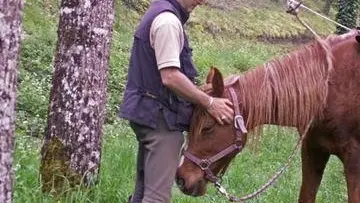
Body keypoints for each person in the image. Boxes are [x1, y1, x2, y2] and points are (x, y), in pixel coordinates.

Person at [119, 0, 234, 202]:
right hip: (160, 120)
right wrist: (209, 103)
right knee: (157, 198)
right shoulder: (168, 22)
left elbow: (159, 76)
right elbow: (170, 76)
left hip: (149, 114)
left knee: (142, 193)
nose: (202, 1)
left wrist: (197, 92)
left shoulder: (160, 13)